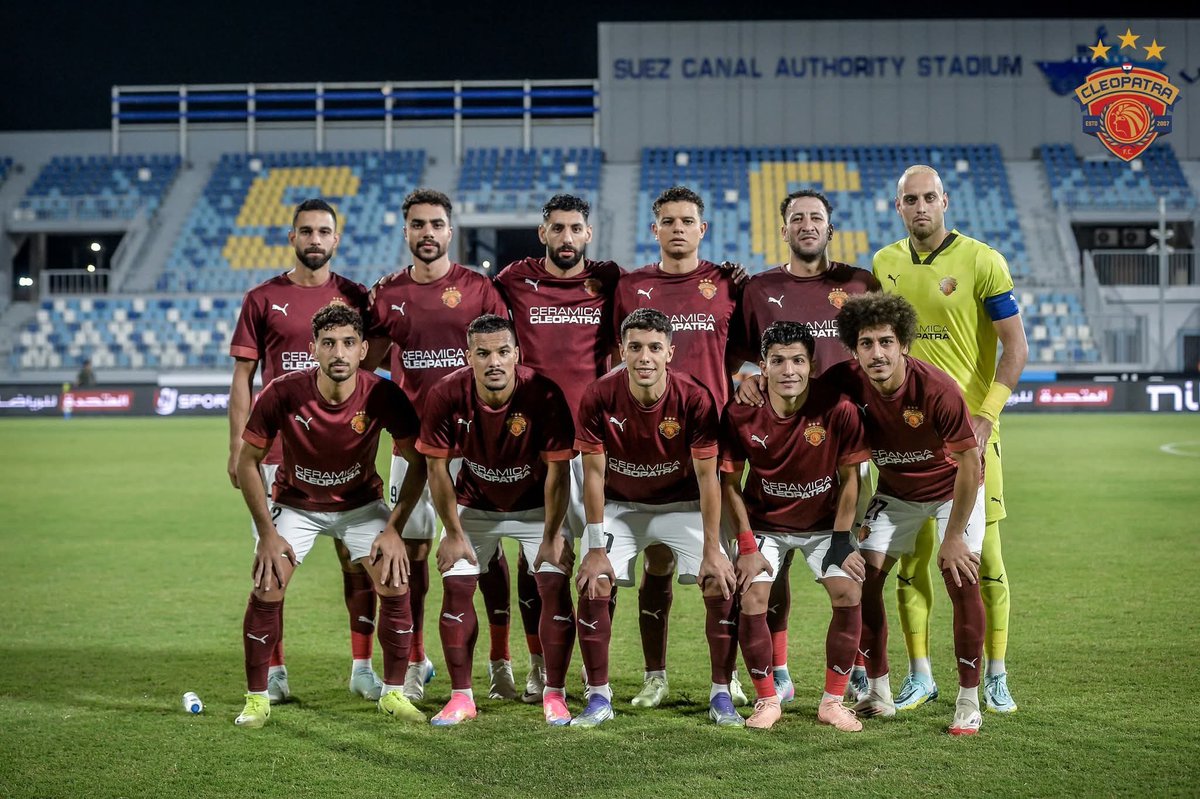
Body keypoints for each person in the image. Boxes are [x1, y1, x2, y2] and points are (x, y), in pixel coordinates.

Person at [874, 165, 1029, 714]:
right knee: (915, 562)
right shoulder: (884, 263)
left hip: (970, 436)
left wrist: (986, 415)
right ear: (898, 208)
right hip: (907, 442)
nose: (920, 208)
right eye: (909, 200)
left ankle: (996, 673)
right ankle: (921, 675)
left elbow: (1015, 347)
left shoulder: (983, 261)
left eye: (929, 198)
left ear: (945, 200)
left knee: (983, 558)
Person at [233, 303, 428, 728]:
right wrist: (267, 533)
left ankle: (393, 693)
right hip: (297, 505)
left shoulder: (383, 394)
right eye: (328, 344)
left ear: (362, 350)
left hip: (360, 505)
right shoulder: (284, 392)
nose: (338, 353)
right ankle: (256, 698)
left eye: (348, 344)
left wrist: (394, 528)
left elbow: (420, 461)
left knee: (395, 580)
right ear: (313, 350)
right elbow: (248, 461)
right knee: (268, 582)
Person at [227, 198, 380, 705]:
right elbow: (243, 379)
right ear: (292, 238)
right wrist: (237, 447)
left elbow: (375, 364)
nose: (315, 239)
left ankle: (362, 667)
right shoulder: (262, 297)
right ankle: (274, 673)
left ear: (336, 240)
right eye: (306, 231)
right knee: (273, 565)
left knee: (355, 560)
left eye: (324, 232)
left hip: (344, 451)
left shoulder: (356, 296)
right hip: (277, 456)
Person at [365, 188, 513, 703]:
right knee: (413, 552)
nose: (427, 233)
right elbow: (367, 363)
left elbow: (503, 357)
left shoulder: (478, 288)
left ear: (450, 232)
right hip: (414, 447)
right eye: (417, 224)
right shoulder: (385, 296)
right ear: (405, 231)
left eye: (436, 224)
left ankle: (500, 659)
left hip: (479, 446)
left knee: (486, 552)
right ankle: (415, 660)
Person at [735, 189, 881, 704]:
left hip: (848, 436)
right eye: (797, 218)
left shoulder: (860, 283)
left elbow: (880, 341)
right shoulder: (758, 288)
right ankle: (778, 670)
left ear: (830, 227)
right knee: (774, 578)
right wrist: (748, 378)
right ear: (784, 228)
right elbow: (736, 355)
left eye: (815, 217)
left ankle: (861, 669)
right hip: (779, 432)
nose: (807, 225)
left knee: (863, 566)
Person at [824, 293, 987, 736]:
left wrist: (953, 537)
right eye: (866, 344)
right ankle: (878, 690)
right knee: (862, 579)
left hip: (951, 490)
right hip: (895, 492)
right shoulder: (844, 380)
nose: (876, 353)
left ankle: (969, 700)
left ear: (903, 345)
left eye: (885, 342)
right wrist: (750, 380)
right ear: (853, 349)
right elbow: (796, 390)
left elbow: (971, 465)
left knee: (961, 575)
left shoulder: (937, 389)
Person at [571, 308, 738, 728]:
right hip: (622, 508)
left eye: (654, 348)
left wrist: (714, 549)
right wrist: (593, 548)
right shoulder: (598, 395)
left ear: (670, 353)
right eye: (635, 347)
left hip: (681, 505)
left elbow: (708, 479)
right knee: (595, 580)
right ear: (621, 351)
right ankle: (598, 696)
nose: (644, 357)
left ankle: (722, 692)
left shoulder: (695, 398)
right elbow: (593, 475)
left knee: (720, 577)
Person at [611, 186, 744, 710]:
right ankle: (655, 675)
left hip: (713, 440)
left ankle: (729, 677)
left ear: (702, 229)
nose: (678, 228)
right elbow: (611, 355)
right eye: (667, 221)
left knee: (728, 560)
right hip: (647, 444)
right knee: (658, 560)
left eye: (687, 220)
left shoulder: (727, 284)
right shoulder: (630, 287)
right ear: (654, 230)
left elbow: (743, 354)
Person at [493, 194, 622, 702]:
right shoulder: (512, 280)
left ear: (588, 235)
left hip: (594, 445)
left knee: (599, 563)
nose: (567, 238)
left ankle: (596, 674)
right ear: (542, 233)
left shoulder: (611, 281)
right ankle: (537, 664)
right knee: (538, 562)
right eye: (557, 229)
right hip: (531, 442)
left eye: (575, 229)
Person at [417, 314, 577, 727]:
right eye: (483, 353)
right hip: (475, 503)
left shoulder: (543, 393)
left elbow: (558, 474)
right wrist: (452, 533)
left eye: (503, 352)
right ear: (468, 356)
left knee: (553, 579)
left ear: (516, 355)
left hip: (535, 504)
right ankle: (461, 697)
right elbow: (436, 470)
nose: (494, 362)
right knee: (456, 579)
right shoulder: (445, 393)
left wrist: (551, 534)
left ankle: (554, 693)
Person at [720, 321, 870, 731]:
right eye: (778, 361)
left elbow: (850, 479)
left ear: (812, 365)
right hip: (764, 523)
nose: (789, 370)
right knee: (751, 599)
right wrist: (747, 546)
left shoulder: (837, 408)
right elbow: (729, 485)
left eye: (798, 360)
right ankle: (767, 700)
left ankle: (832, 702)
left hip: (823, 524)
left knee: (848, 589)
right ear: (763, 368)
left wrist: (842, 539)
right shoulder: (740, 412)